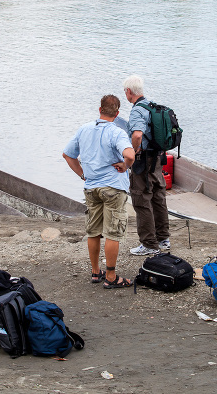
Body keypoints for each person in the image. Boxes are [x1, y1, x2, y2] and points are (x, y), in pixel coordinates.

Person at [62, 95, 135, 289]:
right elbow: (130, 154)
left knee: (94, 231)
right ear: (118, 113)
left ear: (100, 109)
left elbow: (67, 155)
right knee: (113, 232)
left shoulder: (84, 129)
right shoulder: (117, 132)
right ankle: (111, 276)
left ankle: (96, 272)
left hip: (91, 188)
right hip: (113, 188)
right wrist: (125, 166)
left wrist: (82, 174)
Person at [122, 75, 171, 256]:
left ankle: (149, 244)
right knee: (158, 197)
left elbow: (137, 135)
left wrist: (133, 154)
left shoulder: (137, 111)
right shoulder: (152, 106)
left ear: (128, 92)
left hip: (143, 161)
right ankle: (163, 239)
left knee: (141, 199)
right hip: (158, 158)